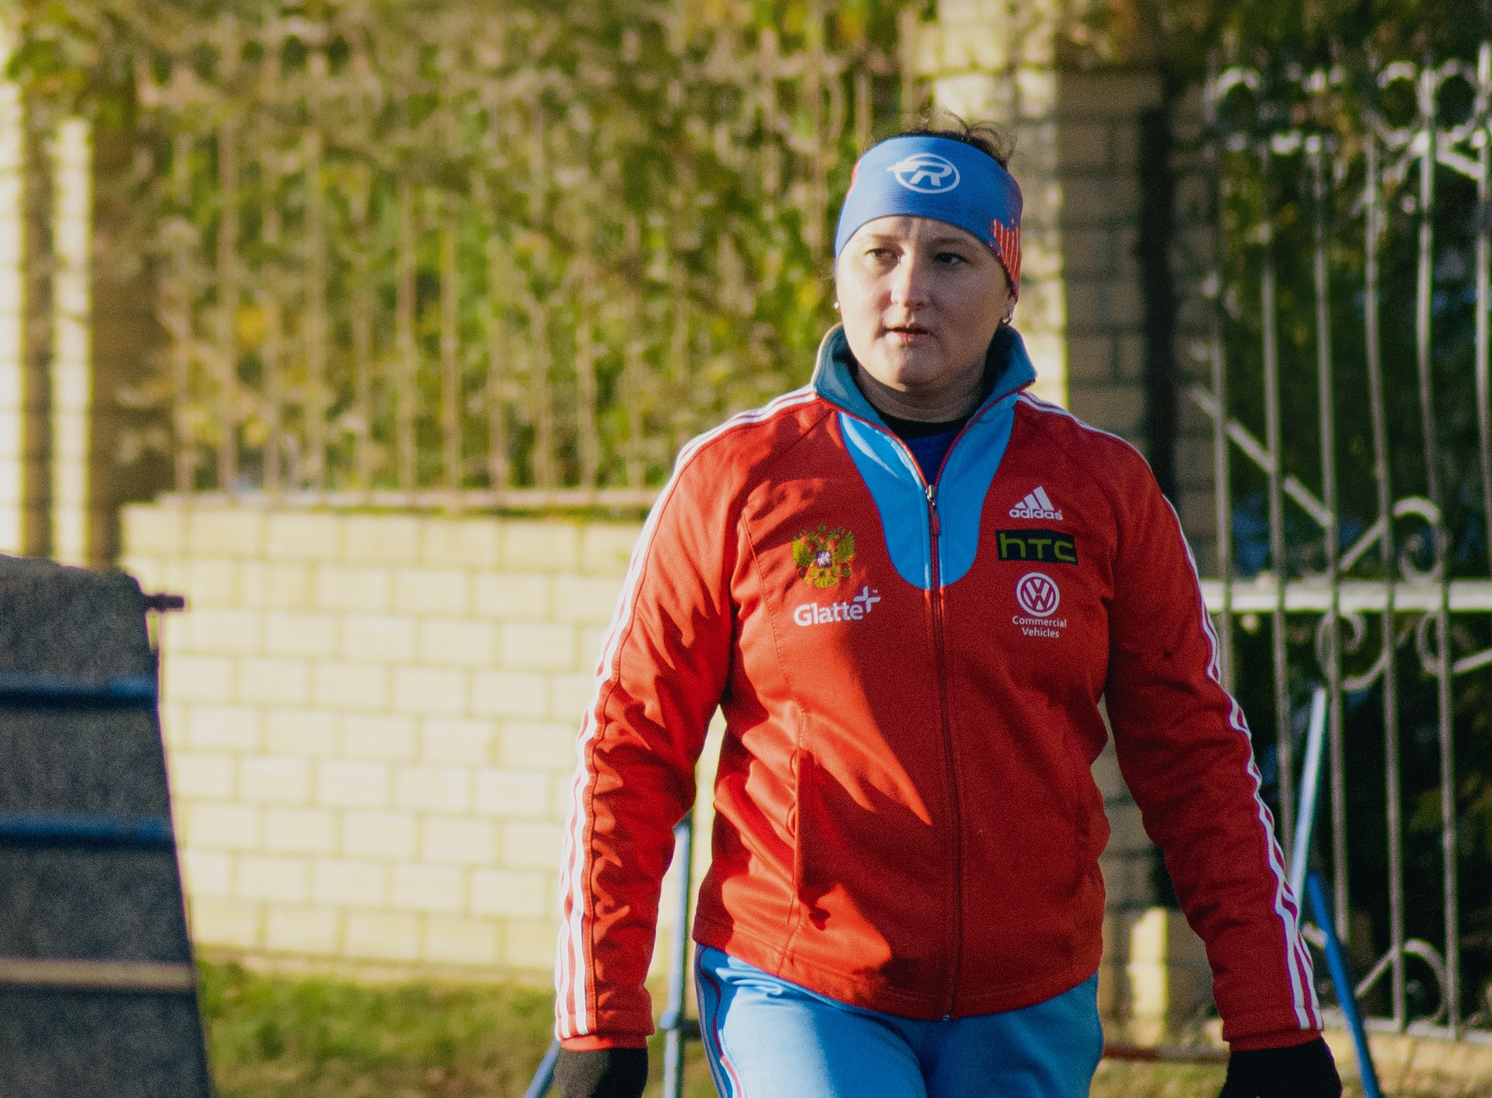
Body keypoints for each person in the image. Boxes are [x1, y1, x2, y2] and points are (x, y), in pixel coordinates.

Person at [549, 122, 1341, 1098]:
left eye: (951, 257)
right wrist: (599, 1018)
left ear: (1009, 287)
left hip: (1030, 999)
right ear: (838, 272)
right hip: (802, 984)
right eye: (878, 251)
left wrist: (1273, 1017)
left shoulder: (1103, 488)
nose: (908, 288)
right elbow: (628, 747)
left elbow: (1194, 754)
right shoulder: (737, 478)